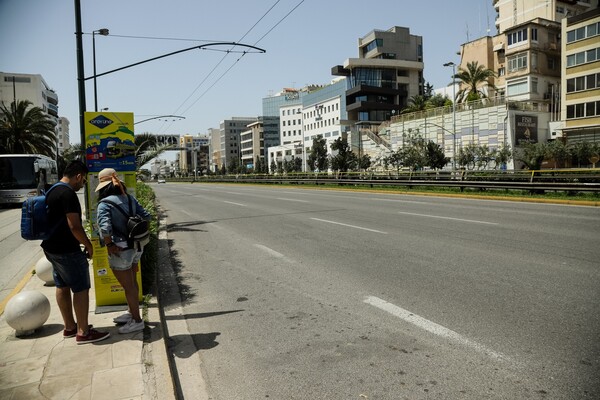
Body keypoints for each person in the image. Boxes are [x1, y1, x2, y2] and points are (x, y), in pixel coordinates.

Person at [42, 160, 110, 344]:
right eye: (84, 180)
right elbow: (74, 226)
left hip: (51, 248)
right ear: (78, 176)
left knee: (62, 286)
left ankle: (70, 327)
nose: (84, 184)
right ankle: (84, 332)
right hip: (67, 250)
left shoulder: (52, 190)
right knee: (81, 288)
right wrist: (88, 245)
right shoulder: (68, 194)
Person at [95, 168, 151, 334]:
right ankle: (131, 312)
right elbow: (146, 216)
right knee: (132, 283)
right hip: (136, 246)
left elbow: (105, 229)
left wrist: (109, 244)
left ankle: (137, 320)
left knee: (128, 287)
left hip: (120, 250)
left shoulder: (104, 204)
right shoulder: (130, 199)